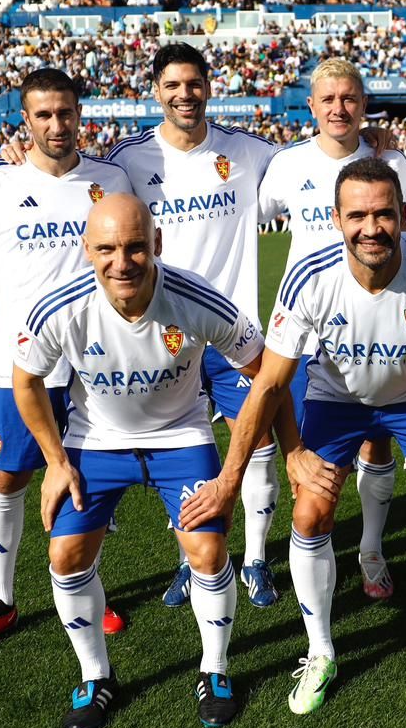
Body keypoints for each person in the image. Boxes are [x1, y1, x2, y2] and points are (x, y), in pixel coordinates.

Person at [188, 157, 406, 715]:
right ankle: (320, 651)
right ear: (336, 218)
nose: (371, 228)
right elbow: (270, 382)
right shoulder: (309, 277)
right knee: (309, 517)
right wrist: (281, 457)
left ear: (402, 214)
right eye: (358, 215)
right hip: (337, 401)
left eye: (383, 214)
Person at [14, 193, 287, 728]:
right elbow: (26, 381)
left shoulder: (197, 299)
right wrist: (55, 460)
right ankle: (95, 675)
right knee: (66, 554)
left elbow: (265, 375)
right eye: (108, 248)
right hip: (96, 440)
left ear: (156, 244)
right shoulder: (58, 308)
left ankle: (214, 669)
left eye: (136, 247)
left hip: (181, 436)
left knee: (207, 550)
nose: (123, 261)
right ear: (87, 249)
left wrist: (235, 474)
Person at [0, 67, 130, 653]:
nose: (56, 124)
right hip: (15, 370)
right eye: (43, 115)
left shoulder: (110, 178)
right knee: (9, 477)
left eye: (66, 112)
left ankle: (86, 586)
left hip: (94, 366)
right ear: (24, 120)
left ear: (80, 114)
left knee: (88, 478)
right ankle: (0, 600)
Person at [106, 43, 284, 610]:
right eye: (173, 85)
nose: (185, 94)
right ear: (156, 91)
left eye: (195, 83)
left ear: (209, 86)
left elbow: (319, 163)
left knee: (254, 447)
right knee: (183, 448)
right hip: (162, 334)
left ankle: (255, 559)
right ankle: (193, 559)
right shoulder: (128, 161)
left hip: (236, 333)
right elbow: (74, 184)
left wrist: (375, 140)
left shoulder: (250, 151)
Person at [257, 59, 406, 601]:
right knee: (308, 459)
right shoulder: (285, 164)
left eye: (349, 98)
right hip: (307, 341)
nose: (338, 108)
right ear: (311, 106)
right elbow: (239, 212)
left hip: (383, 329)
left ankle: (371, 549)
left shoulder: (390, 160)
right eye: (327, 99)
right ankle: (304, 557)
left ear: (364, 102)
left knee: (376, 449)